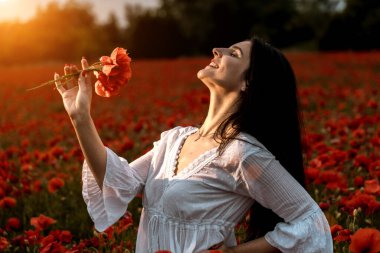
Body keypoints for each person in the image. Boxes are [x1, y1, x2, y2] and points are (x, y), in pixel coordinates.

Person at [54, 36, 333, 253]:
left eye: (233, 53)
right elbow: (118, 182)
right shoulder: (175, 140)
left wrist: (234, 252)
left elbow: (311, 222)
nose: (217, 51)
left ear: (249, 82)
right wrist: (80, 117)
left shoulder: (242, 154)